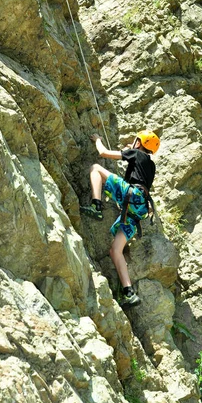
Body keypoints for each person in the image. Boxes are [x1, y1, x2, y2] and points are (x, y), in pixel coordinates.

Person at [80, 130, 160, 308]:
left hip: (132, 196)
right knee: (115, 250)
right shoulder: (151, 165)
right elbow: (138, 175)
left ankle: (96, 205)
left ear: (139, 143)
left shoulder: (136, 153)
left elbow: (103, 153)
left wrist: (98, 140)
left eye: (135, 141)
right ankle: (129, 293)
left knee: (96, 168)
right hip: (139, 209)